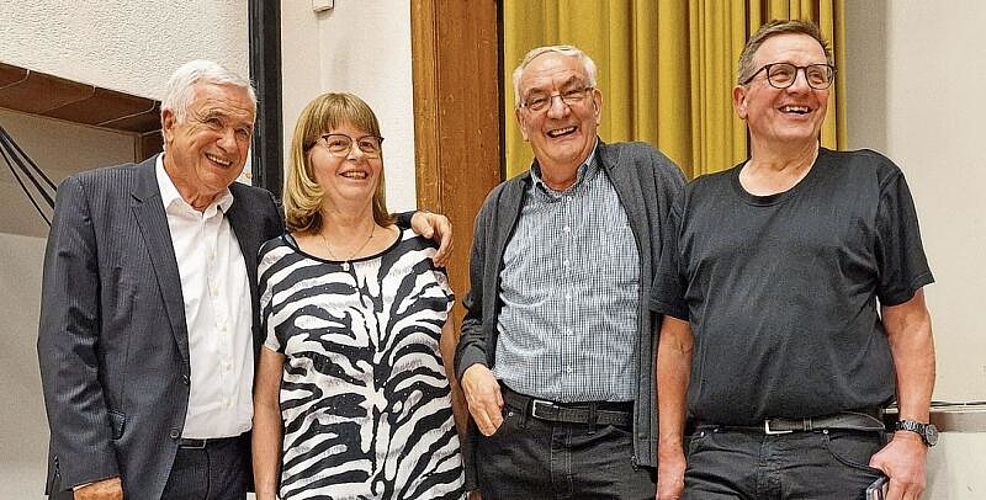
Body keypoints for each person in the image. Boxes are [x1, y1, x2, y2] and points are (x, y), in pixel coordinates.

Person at [37, 61, 452, 500]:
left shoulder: (257, 212)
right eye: (214, 122)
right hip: (132, 466)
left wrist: (407, 223)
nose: (229, 143)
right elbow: (64, 344)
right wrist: (92, 470)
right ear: (169, 123)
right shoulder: (96, 198)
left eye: (243, 131)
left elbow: (335, 225)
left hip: (231, 473)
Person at [651, 20, 936, 500]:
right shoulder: (697, 201)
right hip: (719, 456)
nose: (802, 86)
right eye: (781, 73)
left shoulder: (873, 181)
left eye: (817, 75)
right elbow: (676, 343)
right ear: (741, 100)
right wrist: (670, 455)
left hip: (838, 454)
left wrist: (912, 435)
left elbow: (909, 325)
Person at [455, 45, 685, 499]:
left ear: (596, 105)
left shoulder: (648, 177)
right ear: (522, 122)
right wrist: (472, 366)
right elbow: (477, 320)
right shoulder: (500, 206)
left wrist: (674, 447)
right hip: (515, 448)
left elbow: (689, 310)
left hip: (619, 448)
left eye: (572, 91)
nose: (558, 110)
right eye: (538, 100)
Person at [252, 92, 468, 500]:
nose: (357, 155)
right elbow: (266, 402)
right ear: (307, 159)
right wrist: (266, 495)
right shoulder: (276, 261)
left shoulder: (422, 251)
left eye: (368, 144)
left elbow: (452, 375)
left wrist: (472, 479)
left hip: (431, 485)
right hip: (317, 487)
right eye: (338, 143)